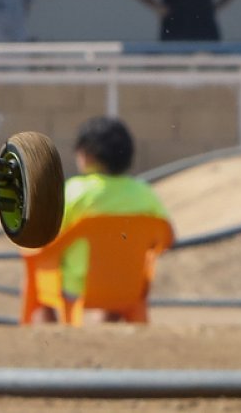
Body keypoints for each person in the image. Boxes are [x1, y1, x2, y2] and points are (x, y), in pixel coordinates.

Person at [32, 116, 170, 324]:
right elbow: (167, 238)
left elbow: (45, 235)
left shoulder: (74, 192)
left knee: (38, 265)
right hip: (128, 288)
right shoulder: (145, 194)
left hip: (77, 288)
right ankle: (106, 323)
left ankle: (53, 335)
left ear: (86, 155)